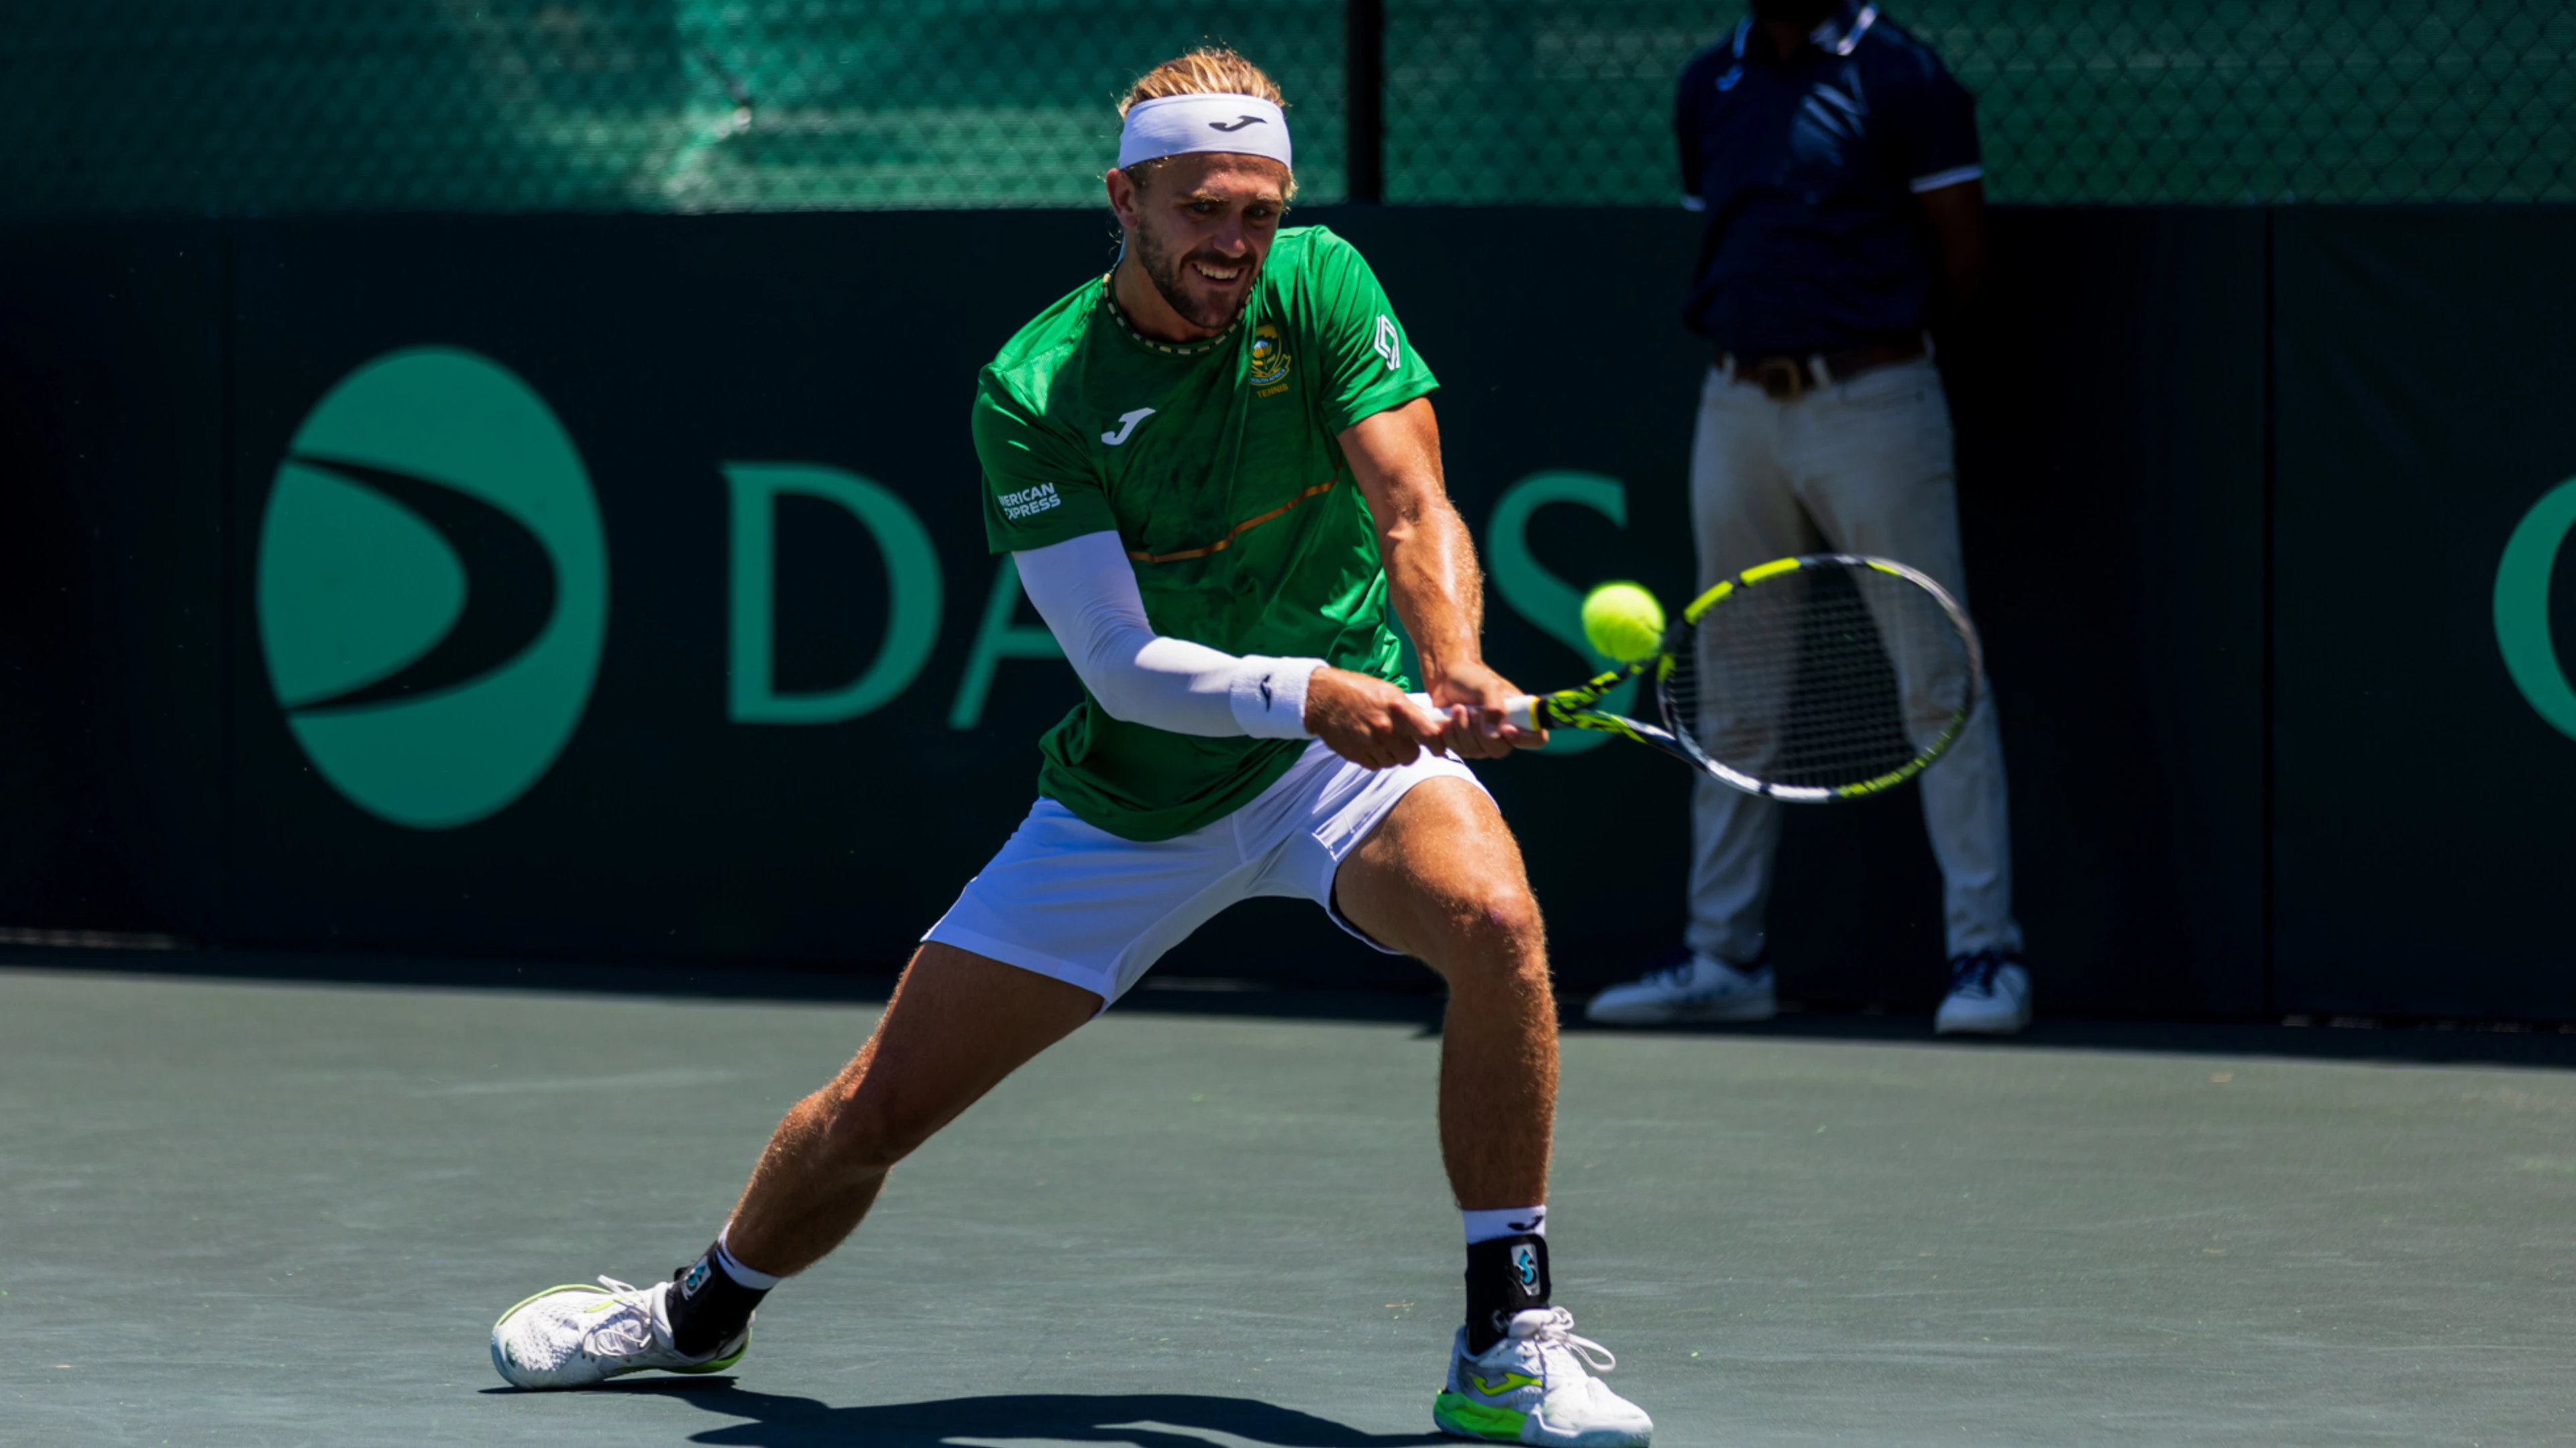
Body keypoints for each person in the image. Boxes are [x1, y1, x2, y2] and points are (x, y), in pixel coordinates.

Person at [486, 48, 1654, 1447]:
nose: (1234, 242)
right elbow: (1120, 662)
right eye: (1203, 208)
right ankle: (697, 1308)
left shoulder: (1325, 284)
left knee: (1496, 918)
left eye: (1259, 212)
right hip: (1137, 799)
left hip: (1336, 769)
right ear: (1127, 197)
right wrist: (1310, 688)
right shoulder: (1035, 388)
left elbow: (1413, 509)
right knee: (879, 1108)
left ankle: (1504, 1338)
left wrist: (1451, 661)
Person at [1586, 1, 2029, 1036]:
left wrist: (1870, 354)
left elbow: (1963, 259)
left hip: (1875, 403)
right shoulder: (1709, 82)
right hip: (1735, 406)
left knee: (1938, 677)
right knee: (1728, 691)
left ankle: (1986, 955)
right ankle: (1722, 955)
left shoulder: (1906, 78)